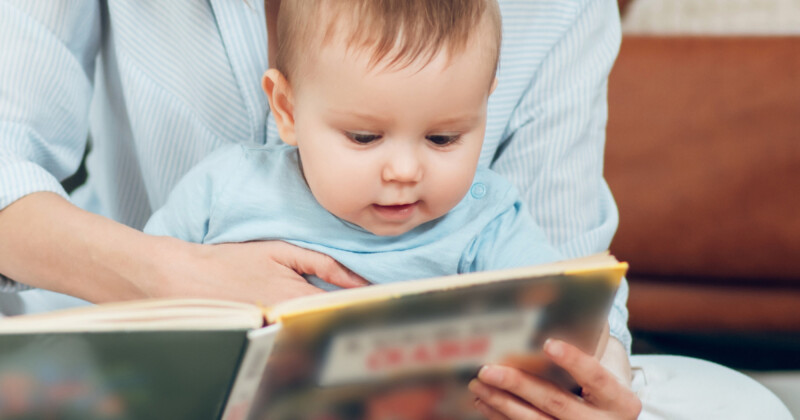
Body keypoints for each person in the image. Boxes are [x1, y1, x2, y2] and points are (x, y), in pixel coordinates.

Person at [0, 0, 790, 419]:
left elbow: (570, 296)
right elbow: (144, 324)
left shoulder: (489, 214)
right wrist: (177, 280)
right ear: (285, 108)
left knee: (744, 408)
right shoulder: (225, 184)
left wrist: (587, 383)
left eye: (445, 137)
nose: (405, 171)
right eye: (363, 136)